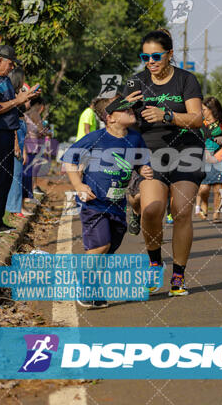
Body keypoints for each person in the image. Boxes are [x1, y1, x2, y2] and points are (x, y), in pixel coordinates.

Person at [124, 28, 205, 297]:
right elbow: (125, 123)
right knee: (151, 210)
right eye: (145, 57)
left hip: (186, 151)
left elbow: (196, 118)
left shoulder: (186, 80)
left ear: (170, 54)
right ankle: (155, 262)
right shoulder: (136, 83)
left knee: (181, 211)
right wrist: (122, 107)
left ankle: (178, 276)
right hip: (151, 153)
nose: (151, 62)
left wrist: (166, 115)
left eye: (156, 56)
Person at [62, 94, 153, 309]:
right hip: (94, 202)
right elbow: (69, 158)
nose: (132, 111)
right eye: (126, 110)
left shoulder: (135, 138)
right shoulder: (96, 137)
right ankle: (84, 287)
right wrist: (78, 186)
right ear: (110, 117)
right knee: (100, 244)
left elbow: (140, 161)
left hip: (117, 204)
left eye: (132, 109)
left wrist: (143, 169)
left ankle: (95, 288)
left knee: (109, 248)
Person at [0, 45, 39, 232]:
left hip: (7, 133)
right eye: (11, 64)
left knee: (6, 177)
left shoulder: (4, 79)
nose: (12, 68)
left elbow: (12, 109)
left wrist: (25, 99)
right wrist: (17, 100)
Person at [196, 97, 222, 223]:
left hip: (219, 156)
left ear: (212, 109)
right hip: (204, 156)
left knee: (218, 188)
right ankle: (204, 203)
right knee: (203, 188)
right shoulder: (201, 122)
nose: (202, 111)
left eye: (204, 109)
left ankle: (216, 213)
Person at [5, 67, 32, 217]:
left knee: (18, 170)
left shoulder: (16, 95)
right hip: (16, 131)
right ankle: (15, 208)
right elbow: (12, 121)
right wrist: (16, 143)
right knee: (16, 172)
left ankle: (16, 205)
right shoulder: (13, 96)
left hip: (21, 130)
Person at [22, 95, 51, 206]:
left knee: (27, 174)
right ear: (38, 105)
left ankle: (28, 196)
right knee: (28, 174)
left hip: (29, 146)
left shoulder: (26, 114)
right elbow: (42, 130)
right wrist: (49, 133)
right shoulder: (34, 114)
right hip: (31, 147)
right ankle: (28, 197)